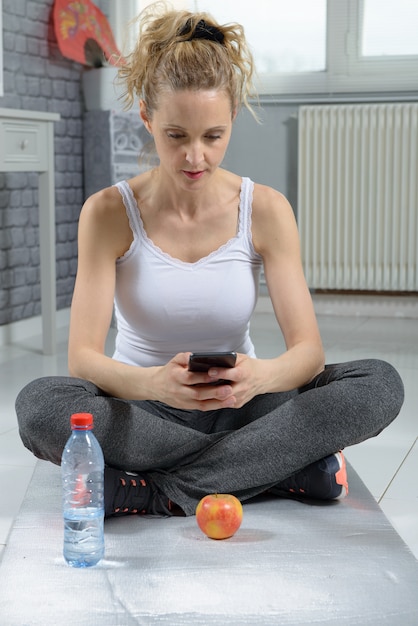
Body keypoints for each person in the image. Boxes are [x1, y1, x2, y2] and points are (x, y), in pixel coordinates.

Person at [16, 2, 404, 518]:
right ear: (147, 118)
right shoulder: (108, 212)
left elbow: (307, 352)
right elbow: (83, 359)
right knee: (38, 405)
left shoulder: (265, 209)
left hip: (242, 410)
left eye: (212, 136)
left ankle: (150, 490)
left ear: (233, 119)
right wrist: (156, 383)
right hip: (142, 409)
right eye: (176, 136)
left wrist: (259, 377)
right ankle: (275, 470)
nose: (195, 157)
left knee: (379, 384)